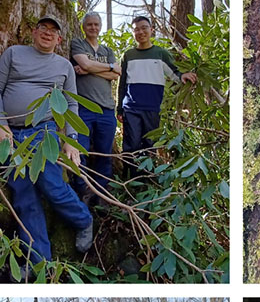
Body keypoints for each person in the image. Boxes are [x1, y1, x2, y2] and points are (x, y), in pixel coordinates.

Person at [0, 16, 95, 267]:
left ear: (59, 39)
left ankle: (83, 220)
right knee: (24, 197)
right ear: (33, 32)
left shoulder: (64, 66)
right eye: (43, 28)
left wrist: (71, 140)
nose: (48, 33)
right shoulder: (14, 54)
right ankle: (39, 262)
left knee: (53, 186)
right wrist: (1, 125)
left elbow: (70, 103)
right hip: (12, 135)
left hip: (43, 132)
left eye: (54, 31)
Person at [117, 15, 197, 179]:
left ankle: (148, 181)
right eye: (136, 29)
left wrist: (185, 76)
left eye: (144, 28)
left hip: (153, 108)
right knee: (130, 145)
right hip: (131, 108)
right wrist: (119, 107)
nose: (141, 32)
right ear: (133, 33)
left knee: (149, 146)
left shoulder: (161, 53)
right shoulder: (128, 55)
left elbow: (175, 73)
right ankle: (130, 181)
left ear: (151, 30)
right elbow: (122, 83)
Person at [69, 11, 121, 200]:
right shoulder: (78, 44)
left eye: (96, 25)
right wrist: (108, 67)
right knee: (80, 151)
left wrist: (92, 68)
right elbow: (85, 63)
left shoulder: (107, 51)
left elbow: (116, 74)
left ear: (100, 27)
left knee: (104, 153)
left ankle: (102, 193)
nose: (93, 28)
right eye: (89, 24)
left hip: (106, 109)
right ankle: (82, 189)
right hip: (83, 109)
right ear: (84, 27)